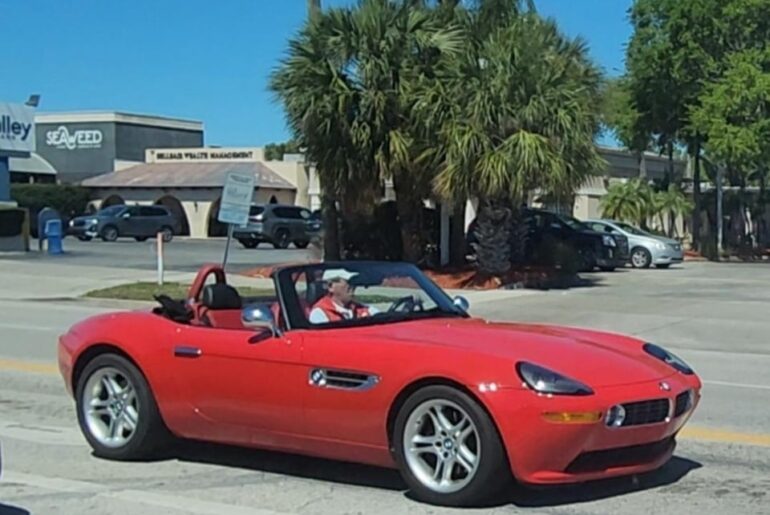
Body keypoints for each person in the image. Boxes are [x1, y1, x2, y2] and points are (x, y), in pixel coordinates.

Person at [308, 269, 379, 323]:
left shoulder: (364, 309)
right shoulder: (320, 313)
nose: (353, 286)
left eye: (354, 282)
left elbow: (383, 318)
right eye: (349, 282)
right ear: (330, 287)